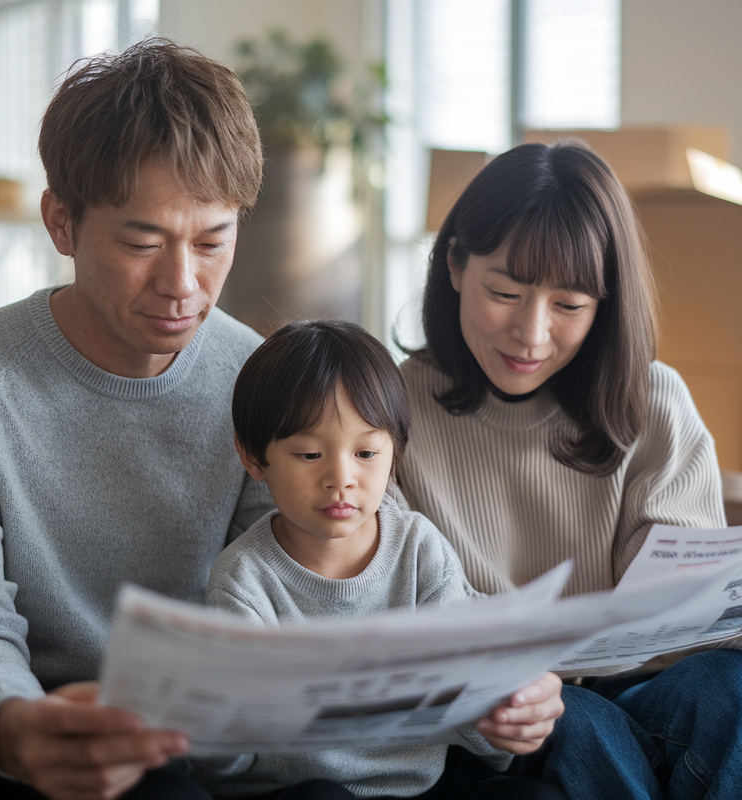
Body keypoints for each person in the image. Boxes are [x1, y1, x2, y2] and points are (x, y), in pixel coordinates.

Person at [395, 141, 742, 799]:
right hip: (498, 705)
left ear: (606, 304)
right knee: (582, 727)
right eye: (504, 292)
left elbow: (696, 608)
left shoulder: (654, 402)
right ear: (453, 265)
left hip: (637, 681)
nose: (530, 334)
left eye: (569, 306)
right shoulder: (385, 415)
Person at [0, 39, 271, 800]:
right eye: (141, 241)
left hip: (218, 751)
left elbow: (286, 596)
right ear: (61, 223)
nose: (182, 284)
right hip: (36, 752)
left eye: (213, 241)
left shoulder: (262, 382)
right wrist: (17, 727)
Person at [199, 319, 563, 800]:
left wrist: (501, 714)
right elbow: (224, 767)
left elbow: (474, 722)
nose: (341, 478)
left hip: (419, 787)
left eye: (367, 452)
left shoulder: (417, 548)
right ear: (253, 457)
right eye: (309, 455)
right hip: (302, 791)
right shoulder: (243, 582)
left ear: (395, 451)